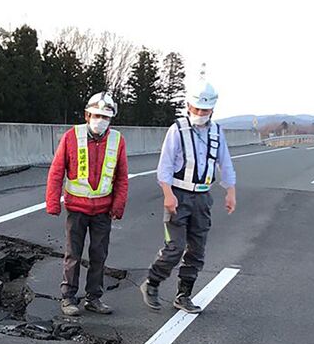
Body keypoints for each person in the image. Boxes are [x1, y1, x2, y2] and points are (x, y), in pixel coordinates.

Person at [140, 79, 237, 314]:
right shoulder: (178, 130)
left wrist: (230, 191)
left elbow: (225, 162)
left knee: (197, 250)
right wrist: (167, 194)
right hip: (178, 195)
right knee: (175, 247)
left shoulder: (216, 131)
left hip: (202, 197)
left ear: (212, 109)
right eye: (197, 109)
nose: (201, 114)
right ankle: (152, 283)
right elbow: (164, 166)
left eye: (205, 110)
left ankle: (183, 295)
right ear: (188, 106)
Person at [45, 91, 129, 316]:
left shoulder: (117, 140)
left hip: (103, 210)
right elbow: (56, 170)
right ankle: (68, 297)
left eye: (105, 117)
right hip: (77, 209)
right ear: (87, 115)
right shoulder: (72, 137)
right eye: (97, 115)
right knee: (73, 254)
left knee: (99, 255)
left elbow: (122, 177)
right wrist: (53, 202)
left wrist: (118, 206)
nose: (100, 120)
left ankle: (94, 298)